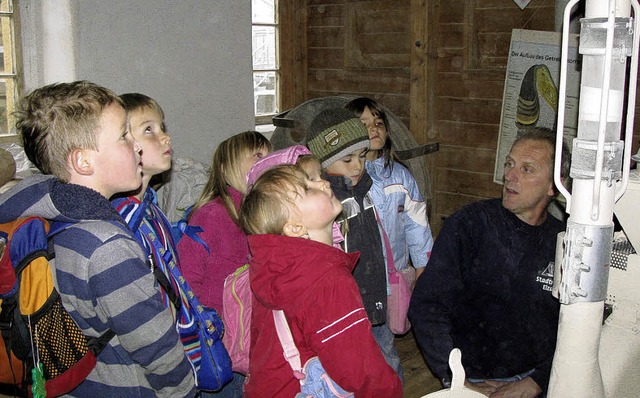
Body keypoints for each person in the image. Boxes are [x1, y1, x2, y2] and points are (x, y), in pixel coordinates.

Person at [0, 81, 195, 397]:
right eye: (123, 136)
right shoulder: (107, 245)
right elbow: (153, 345)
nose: (136, 146)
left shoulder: (48, 211)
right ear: (83, 161)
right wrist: (184, 390)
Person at [408, 127, 571, 398]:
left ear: (554, 185)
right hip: (470, 377)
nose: (509, 175)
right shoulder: (471, 224)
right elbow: (427, 304)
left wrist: (538, 380)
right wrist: (456, 378)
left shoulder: (563, 241)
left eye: (527, 169)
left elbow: (572, 325)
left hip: (537, 379)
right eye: (509, 163)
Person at [239, 165, 403, 397]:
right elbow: (358, 366)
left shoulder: (274, 268)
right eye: (307, 188)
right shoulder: (327, 279)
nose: (323, 182)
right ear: (295, 227)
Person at [307, 108, 433, 381]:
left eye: (362, 157)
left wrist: (421, 262)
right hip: (343, 303)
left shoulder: (367, 189)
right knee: (346, 364)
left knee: (385, 354)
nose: (358, 166)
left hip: (378, 293)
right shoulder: (321, 203)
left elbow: (414, 223)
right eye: (348, 159)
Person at [176, 130, 271, 396]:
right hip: (217, 338)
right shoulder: (211, 215)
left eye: (268, 157)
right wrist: (204, 328)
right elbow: (187, 278)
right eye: (256, 156)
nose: (266, 163)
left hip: (250, 334)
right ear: (225, 166)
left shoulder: (261, 214)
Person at [344, 96, 434, 280]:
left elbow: (417, 224)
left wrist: (422, 265)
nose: (374, 128)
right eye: (364, 124)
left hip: (396, 273)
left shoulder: (401, 177)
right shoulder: (345, 178)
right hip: (359, 277)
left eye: (379, 122)